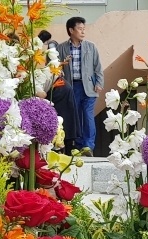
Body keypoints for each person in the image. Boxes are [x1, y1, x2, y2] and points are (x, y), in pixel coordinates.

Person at [57, 17, 104, 154]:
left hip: (89, 86)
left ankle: (88, 146)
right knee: (75, 117)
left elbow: (98, 67)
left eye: (84, 29)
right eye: (80, 29)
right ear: (71, 30)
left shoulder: (91, 46)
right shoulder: (61, 48)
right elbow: (55, 67)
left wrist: (99, 83)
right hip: (71, 88)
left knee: (88, 115)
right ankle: (78, 146)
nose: (83, 32)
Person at [38, 30, 79, 152]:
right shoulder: (53, 45)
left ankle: (60, 145)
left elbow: (42, 94)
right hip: (60, 84)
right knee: (65, 118)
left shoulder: (51, 46)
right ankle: (64, 145)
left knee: (60, 118)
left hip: (59, 87)